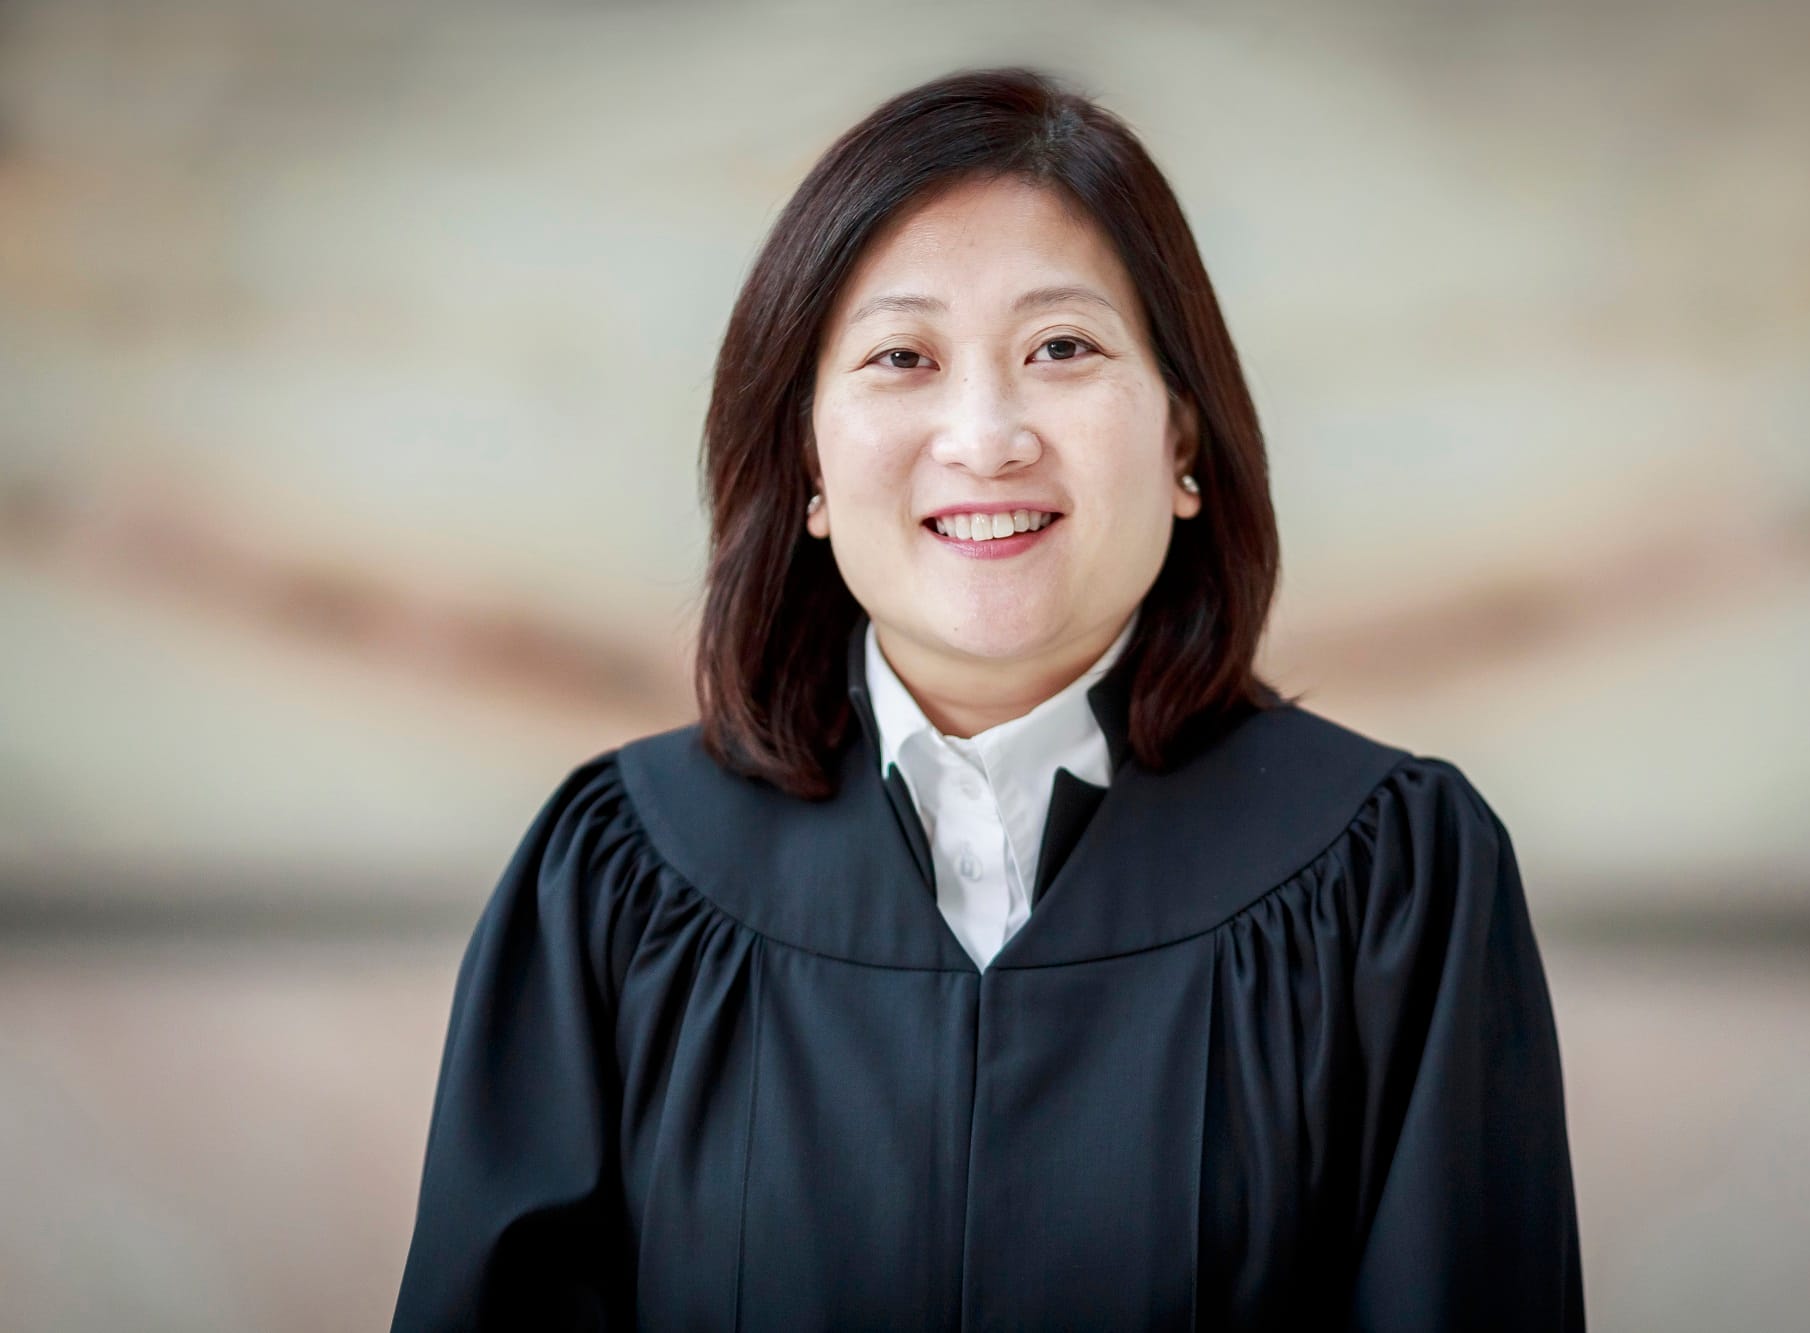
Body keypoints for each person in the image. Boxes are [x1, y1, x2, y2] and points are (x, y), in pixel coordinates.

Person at [391, 66, 1583, 1331]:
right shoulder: (620, 883)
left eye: (1060, 348)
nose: (985, 434)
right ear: (805, 459)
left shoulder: (1390, 881)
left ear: (1183, 439)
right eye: (901, 356)